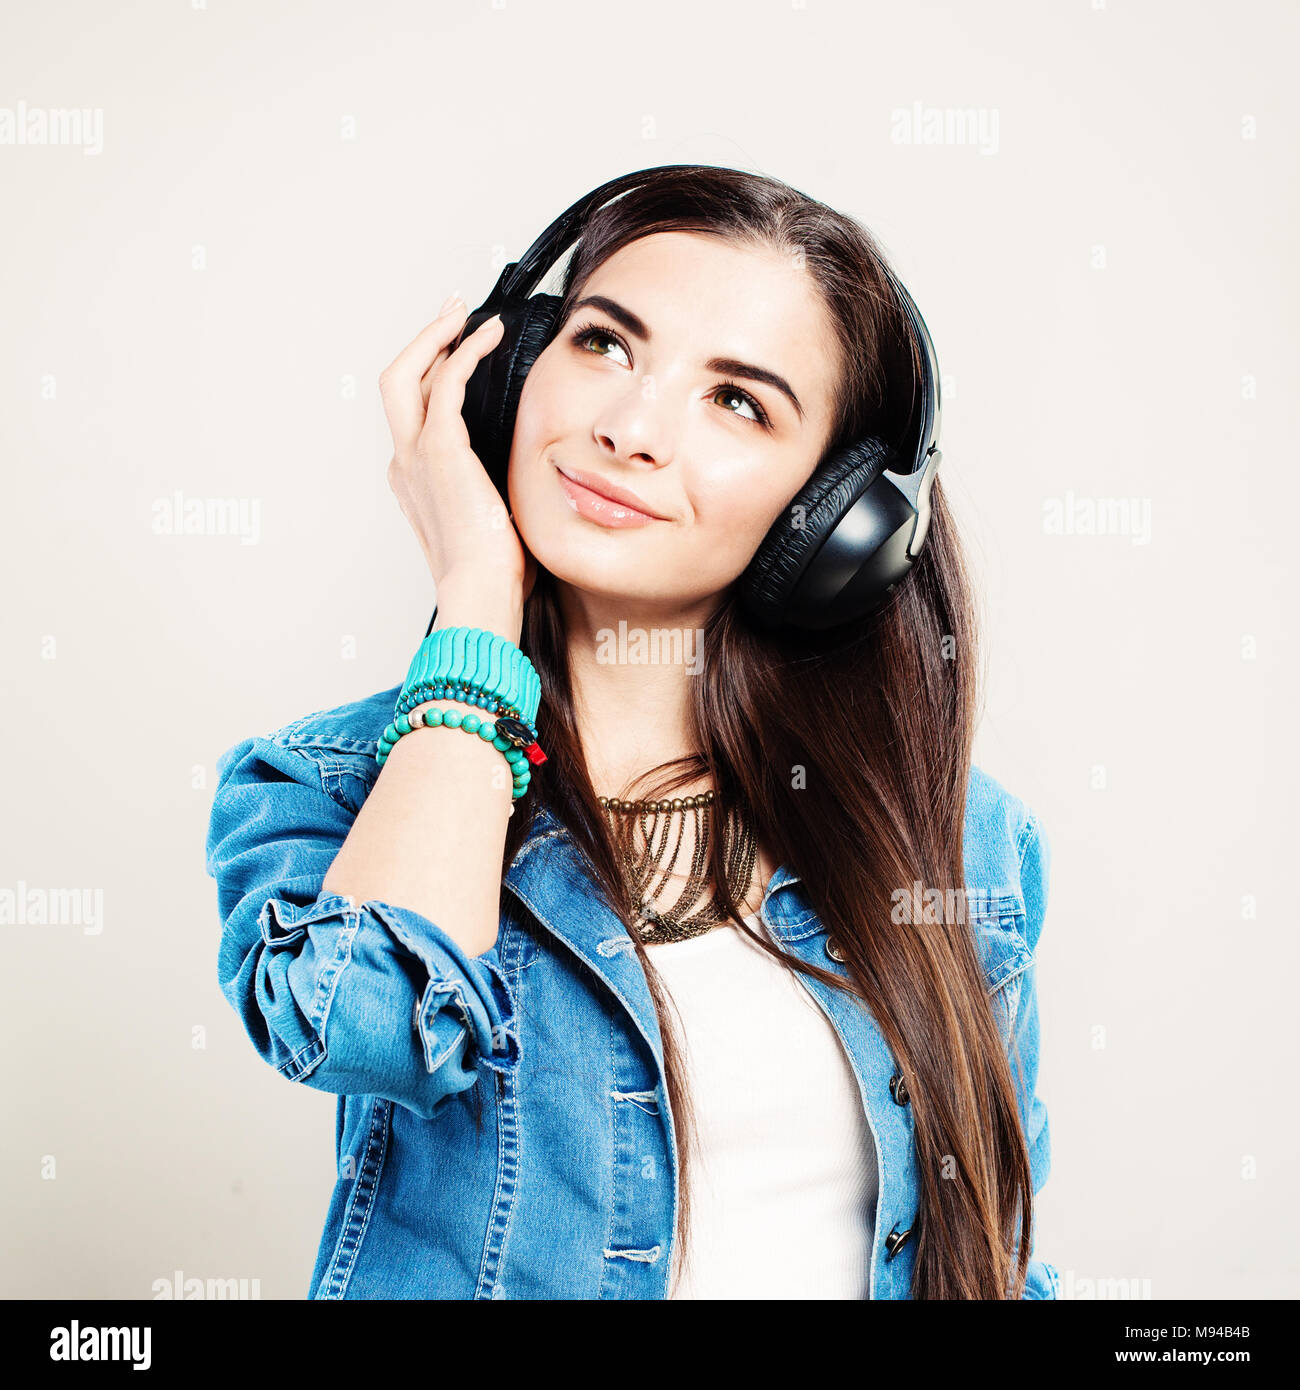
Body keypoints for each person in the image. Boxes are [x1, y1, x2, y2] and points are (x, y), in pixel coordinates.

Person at [205, 165, 1058, 1300]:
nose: (628, 428)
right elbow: (370, 1026)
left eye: (737, 401)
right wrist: (475, 595)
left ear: (838, 520)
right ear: (510, 370)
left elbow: (994, 1261)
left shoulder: (956, 843)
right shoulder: (331, 784)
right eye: (604, 344)